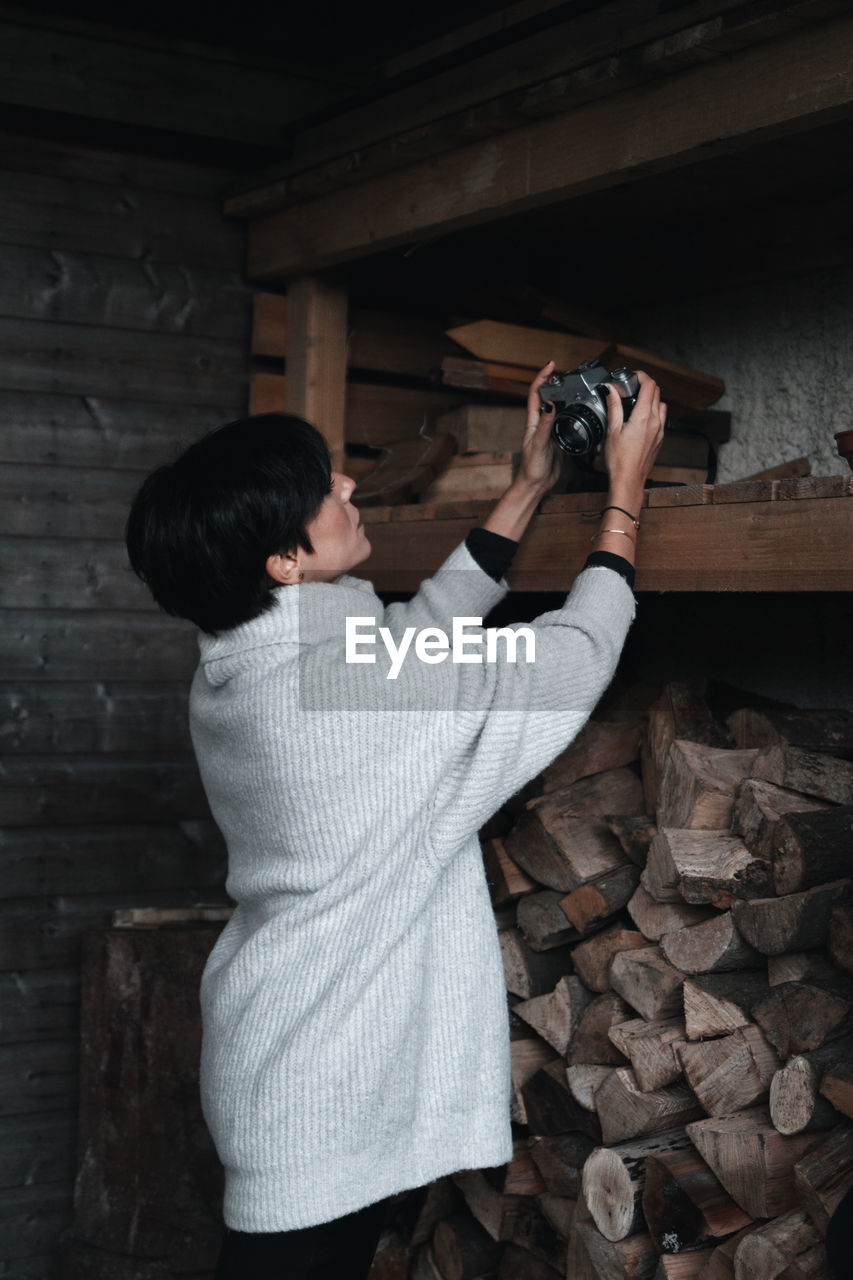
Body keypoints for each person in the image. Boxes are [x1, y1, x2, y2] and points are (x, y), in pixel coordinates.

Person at [125, 361, 665, 1279]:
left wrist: (528, 488)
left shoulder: (247, 655)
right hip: (321, 1080)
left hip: (293, 1048)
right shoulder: (341, 685)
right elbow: (569, 658)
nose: (345, 484)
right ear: (284, 561)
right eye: (318, 489)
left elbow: (414, 635)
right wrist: (624, 495)